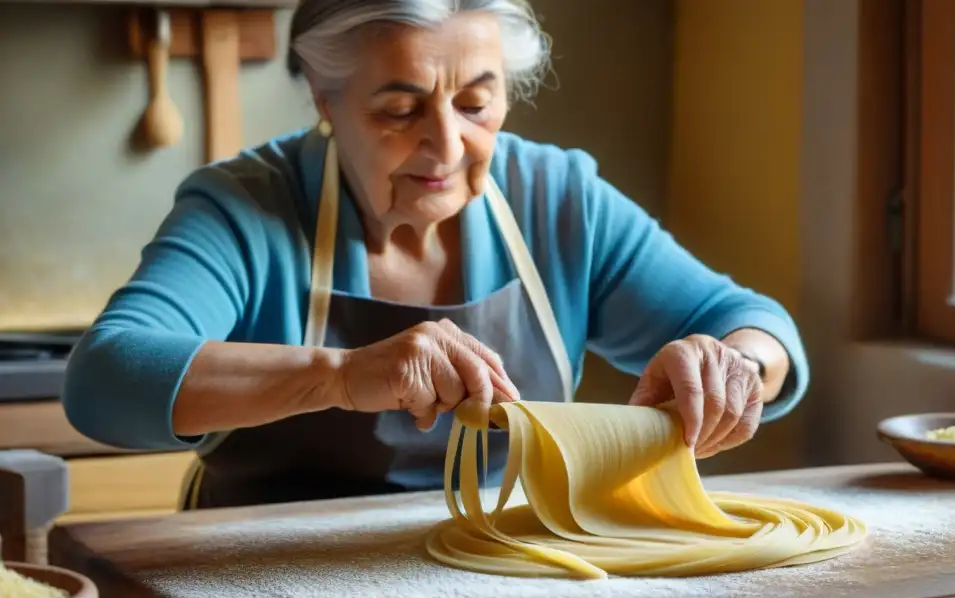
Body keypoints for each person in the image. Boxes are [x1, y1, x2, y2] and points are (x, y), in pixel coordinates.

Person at [62, 0, 809, 511]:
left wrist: (736, 363)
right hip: (260, 577)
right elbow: (107, 377)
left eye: (477, 104)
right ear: (326, 100)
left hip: (507, 570)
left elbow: (749, 320)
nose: (447, 146)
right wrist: (343, 375)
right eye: (400, 110)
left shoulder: (558, 197)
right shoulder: (247, 208)